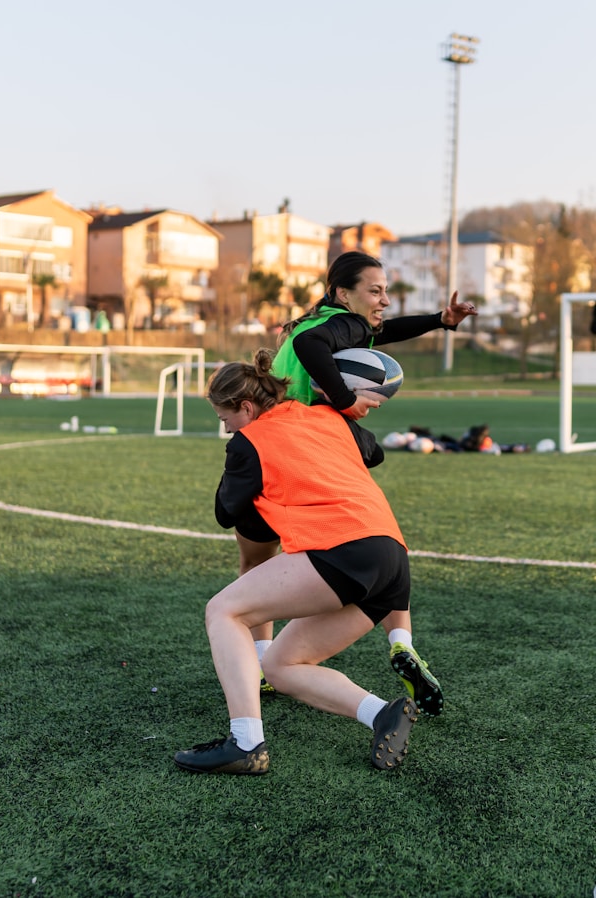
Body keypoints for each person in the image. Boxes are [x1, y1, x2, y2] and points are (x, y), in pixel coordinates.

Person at [242, 252, 477, 708]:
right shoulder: (336, 326)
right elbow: (313, 346)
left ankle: (263, 661)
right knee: (377, 539)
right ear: (342, 294)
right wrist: (346, 399)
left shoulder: (335, 321)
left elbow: (378, 331)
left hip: (275, 450)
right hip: (309, 449)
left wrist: (440, 320)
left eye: (385, 291)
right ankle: (401, 641)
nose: (385, 300)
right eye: (376, 291)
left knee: (256, 560)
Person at [174, 350, 423, 775]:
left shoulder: (248, 441)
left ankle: (246, 743)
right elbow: (373, 452)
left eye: (224, 418)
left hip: (343, 548)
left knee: (223, 611)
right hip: (393, 559)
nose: (226, 428)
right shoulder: (326, 416)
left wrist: (250, 465)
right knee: (280, 667)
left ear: (245, 407)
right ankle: (382, 713)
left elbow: (225, 511)